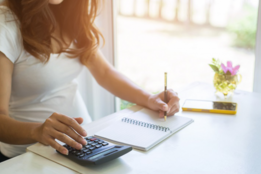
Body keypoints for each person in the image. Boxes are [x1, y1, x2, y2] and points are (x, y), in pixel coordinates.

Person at [0, 0, 180, 163]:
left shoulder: (68, 10)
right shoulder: (5, 26)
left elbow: (104, 72)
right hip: (28, 156)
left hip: (86, 146)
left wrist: (150, 99)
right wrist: (38, 131)